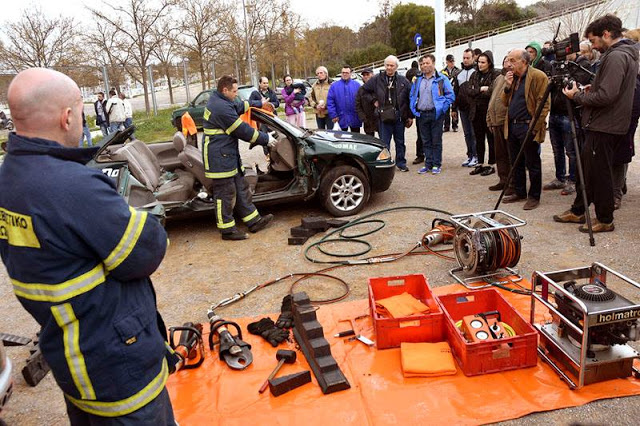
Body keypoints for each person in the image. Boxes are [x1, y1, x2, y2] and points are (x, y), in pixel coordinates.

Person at [0, 68, 176, 424]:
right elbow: (144, 252)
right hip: (117, 368)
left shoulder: (8, 179)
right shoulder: (71, 187)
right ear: (67, 117)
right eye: (79, 111)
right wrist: (139, 217)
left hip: (72, 357)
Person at [555, 14, 639, 232]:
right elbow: (610, 90)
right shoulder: (621, 54)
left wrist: (577, 97)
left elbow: (606, 96)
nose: (593, 46)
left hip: (605, 124)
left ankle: (605, 218)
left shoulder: (617, 56)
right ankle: (578, 210)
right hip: (605, 123)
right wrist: (592, 89)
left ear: (606, 34)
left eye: (593, 41)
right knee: (589, 169)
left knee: (600, 174)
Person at [202, 75, 274, 240]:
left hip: (227, 154)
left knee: (240, 188)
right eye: (234, 91)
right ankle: (227, 230)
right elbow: (243, 130)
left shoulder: (222, 100)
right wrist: (266, 139)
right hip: (219, 158)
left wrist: (259, 103)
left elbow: (240, 105)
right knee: (225, 194)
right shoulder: (220, 107)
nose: (236, 94)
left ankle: (253, 221)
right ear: (225, 90)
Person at [501, 48, 550, 211]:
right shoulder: (512, 78)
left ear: (524, 61)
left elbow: (544, 104)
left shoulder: (538, 76)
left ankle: (534, 196)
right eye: (508, 60)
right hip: (513, 125)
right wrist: (507, 86)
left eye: (512, 61)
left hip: (527, 125)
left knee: (532, 162)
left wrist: (534, 127)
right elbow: (504, 102)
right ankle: (519, 191)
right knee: (516, 161)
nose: (509, 64)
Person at [362, 55, 413, 172]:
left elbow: (409, 98)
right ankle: (385, 163)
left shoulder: (403, 80)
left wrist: (410, 116)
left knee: (400, 142)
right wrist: (374, 100)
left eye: (392, 66)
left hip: (399, 116)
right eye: (387, 65)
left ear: (396, 67)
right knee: (385, 143)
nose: (389, 68)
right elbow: (364, 91)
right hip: (383, 116)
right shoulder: (376, 79)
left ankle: (401, 163)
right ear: (384, 66)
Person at [409, 54, 455, 175]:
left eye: (427, 63)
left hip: (436, 114)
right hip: (422, 114)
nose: (424, 66)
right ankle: (428, 164)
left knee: (436, 140)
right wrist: (413, 108)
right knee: (425, 141)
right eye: (422, 64)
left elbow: (450, 96)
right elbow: (412, 95)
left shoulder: (441, 79)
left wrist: (442, 108)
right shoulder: (418, 79)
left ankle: (436, 164)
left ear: (433, 64)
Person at [468, 50, 500, 176]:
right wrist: (480, 89)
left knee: (491, 139)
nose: (480, 64)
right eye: (479, 62)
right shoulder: (474, 75)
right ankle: (480, 163)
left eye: (483, 62)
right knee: (479, 139)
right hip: (476, 112)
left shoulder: (495, 74)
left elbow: (493, 91)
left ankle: (491, 164)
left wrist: (479, 91)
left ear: (489, 63)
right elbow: (469, 92)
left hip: (489, 112)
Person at [486, 56, 513, 193]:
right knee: (500, 154)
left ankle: (512, 183)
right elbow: (492, 99)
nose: (507, 63)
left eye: (510, 61)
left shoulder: (514, 78)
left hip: (506, 122)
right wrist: (489, 119)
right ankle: (503, 180)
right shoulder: (498, 78)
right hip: (495, 122)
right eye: (505, 60)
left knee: (510, 154)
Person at [452, 48, 477, 167]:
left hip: (474, 108)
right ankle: (470, 155)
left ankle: (476, 156)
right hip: (462, 108)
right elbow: (455, 92)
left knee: (474, 133)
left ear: (473, 58)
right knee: (467, 133)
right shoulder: (459, 74)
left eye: (468, 58)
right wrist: (453, 109)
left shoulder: (477, 72)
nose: (466, 60)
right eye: (464, 58)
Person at [327, 65, 362, 132]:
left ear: (351, 73)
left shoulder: (357, 85)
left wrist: (361, 114)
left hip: (355, 117)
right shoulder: (334, 86)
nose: (345, 74)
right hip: (340, 117)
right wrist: (333, 115)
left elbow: (361, 101)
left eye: (347, 73)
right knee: (342, 139)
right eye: (343, 72)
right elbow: (330, 101)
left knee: (356, 139)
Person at [405, 61, 423, 164]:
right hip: (420, 107)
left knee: (419, 133)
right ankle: (424, 154)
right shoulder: (419, 74)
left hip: (415, 106)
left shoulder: (408, 73)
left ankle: (420, 154)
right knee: (423, 134)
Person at [355, 68, 377, 136]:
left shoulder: (379, 87)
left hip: (379, 119)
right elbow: (358, 105)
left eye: (367, 74)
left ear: (372, 75)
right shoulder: (361, 90)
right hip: (367, 120)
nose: (366, 76)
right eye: (364, 75)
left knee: (383, 141)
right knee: (370, 141)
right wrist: (363, 118)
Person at [441, 54, 459, 132]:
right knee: (446, 110)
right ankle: (446, 125)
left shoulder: (458, 71)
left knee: (455, 109)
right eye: (450, 62)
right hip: (446, 93)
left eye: (453, 61)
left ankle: (455, 125)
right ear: (447, 62)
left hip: (455, 91)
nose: (452, 63)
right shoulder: (442, 72)